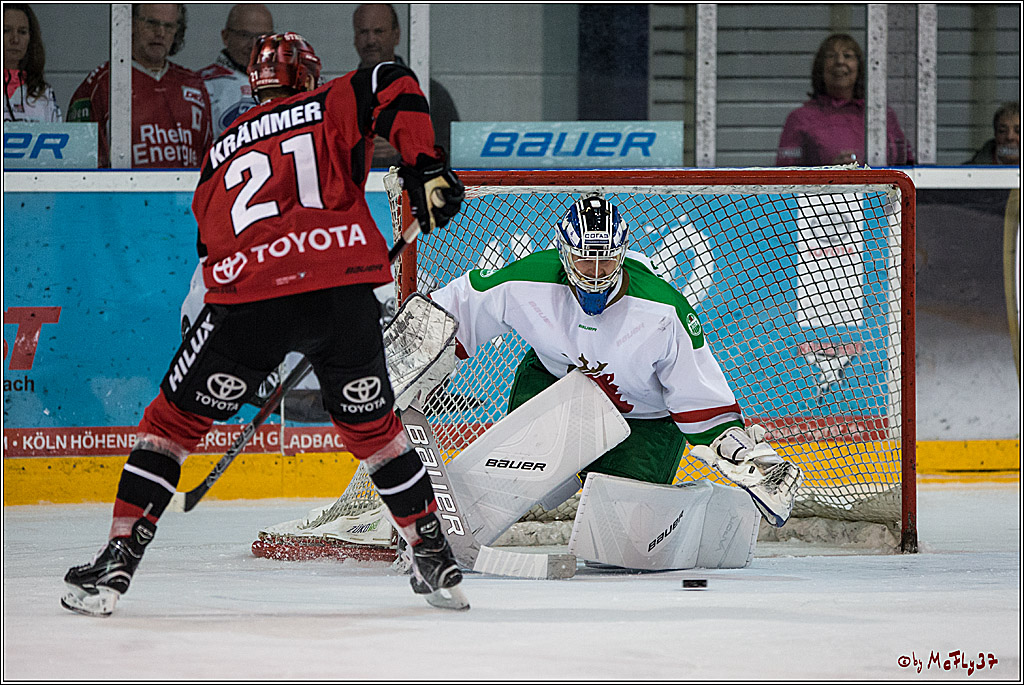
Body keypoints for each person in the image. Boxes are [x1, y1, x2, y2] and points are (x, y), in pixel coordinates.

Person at [61, 32, 466, 616]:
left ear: (255, 82)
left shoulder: (221, 148)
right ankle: (431, 551)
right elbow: (389, 80)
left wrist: (227, 325)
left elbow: (209, 246)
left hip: (250, 303)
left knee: (170, 424)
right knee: (374, 428)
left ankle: (117, 561)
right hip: (343, 293)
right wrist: (425, 164)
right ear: (306, 75)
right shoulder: (328, 102)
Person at [429, 194, 802, 526]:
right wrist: (409, 357)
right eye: (583, 260)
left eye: (605, 262)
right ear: (564, 252)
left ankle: (703, 509)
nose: (594, 274)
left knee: (625, 530)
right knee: (520, 489)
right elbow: (456, 308)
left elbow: (698, 396)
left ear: (621, 254)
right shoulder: (529, 280)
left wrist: (743, 454)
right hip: (558, 392)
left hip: (643, 419)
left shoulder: (664, 310)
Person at [66, 3, 213, 168]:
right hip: (121, 193)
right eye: (151, 23)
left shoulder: (193, 83)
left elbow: (209, 159)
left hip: (187, 192)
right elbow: (79, 167)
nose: (160, 33)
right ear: (131, 24)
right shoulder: (102, 83)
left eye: (169, 26)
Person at [776, 33, 914, 167]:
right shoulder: (800, 118)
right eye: (831, 56)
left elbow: (907, 165)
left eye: (847, 56)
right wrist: (830, 173)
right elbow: (786, 177)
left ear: (859, 67)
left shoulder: (881, 115)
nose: (840, 62)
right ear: (820, 67)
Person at [353, 3, 460, 167]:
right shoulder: (340, 96)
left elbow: (450, 151)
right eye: (363, 32)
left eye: (379, 31)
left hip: (411, 189)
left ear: (396, 36)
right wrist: (362, 149)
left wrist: (404, 148)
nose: (371, 40)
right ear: (355, 38)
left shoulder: (431, 93)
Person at [198, 3, 274, 136]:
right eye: (245, 35)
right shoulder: (201, 85)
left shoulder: (287, 84)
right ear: (225, 36)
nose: (253, 45)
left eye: (262, 37)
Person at [3, 4, 62, 121]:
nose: (15, 39)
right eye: (6, 31)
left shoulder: (44, 94)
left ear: (31, 38)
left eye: (22, 32)